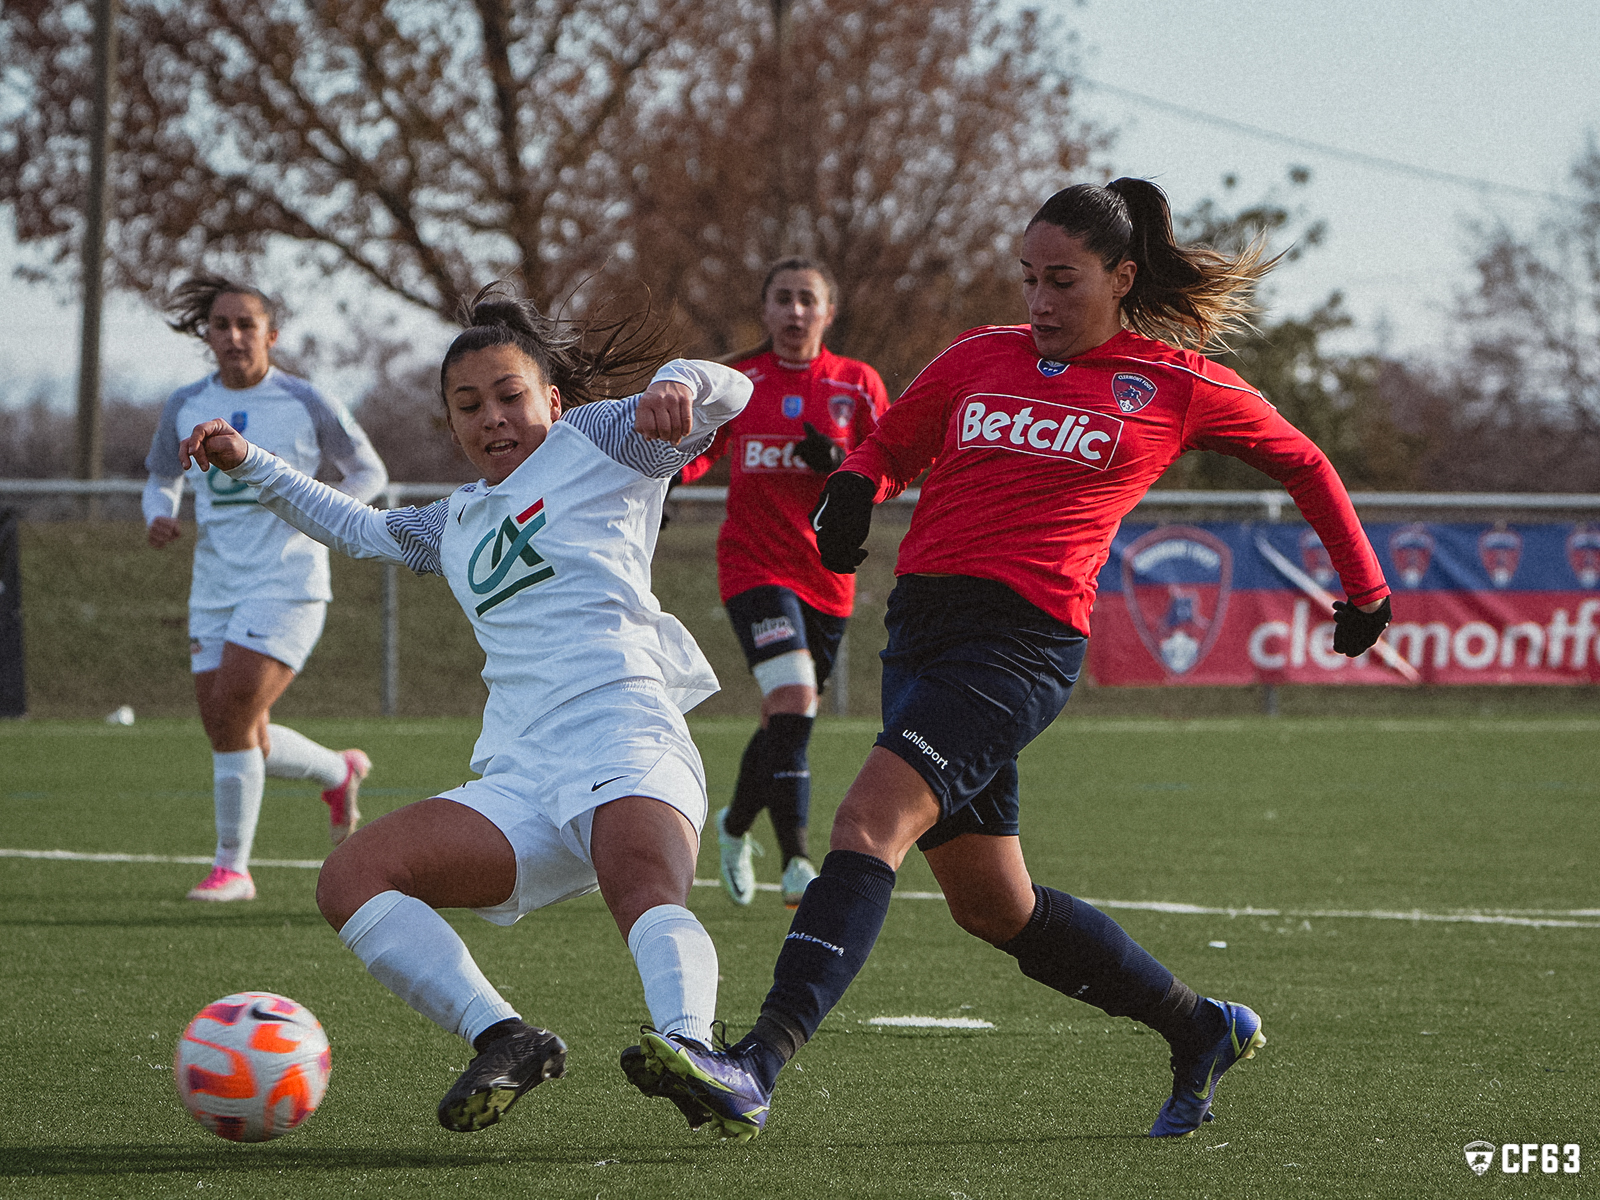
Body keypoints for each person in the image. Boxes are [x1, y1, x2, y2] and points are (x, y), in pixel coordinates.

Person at [633, 179, 1394, 1140]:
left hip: (1021, 645)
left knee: (868, 823)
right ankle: (1199, 1026)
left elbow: (1306, 463)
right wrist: (856, 488)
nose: (1039, 301)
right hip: (920, 634)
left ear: (1121, 278)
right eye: (1029, 278)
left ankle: (755, 1062)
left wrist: (1364, 585)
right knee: (995, 907)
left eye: (1063, 281)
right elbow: (890, 445)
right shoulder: (978, 356)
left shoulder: (1172, 381)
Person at [178, 283, 753, 1134]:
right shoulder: (454, 523)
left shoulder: (600, 442)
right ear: (451, 425)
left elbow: (734, 392)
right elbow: (358, 528)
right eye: (469, 406)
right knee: (350, 878)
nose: (494, 418)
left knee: (643, 885)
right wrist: (248, 463)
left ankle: (695, 1049)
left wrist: (681, 380)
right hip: (523, 776)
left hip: (625, 729)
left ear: (552, 400)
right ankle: (508, 1038)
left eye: (511, 396)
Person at [144, 275, 388, 903]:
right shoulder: (186, 403)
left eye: (245, 324)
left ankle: (233, 868)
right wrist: (159, 512)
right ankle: (338, 771)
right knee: (231, 726)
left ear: (270, 335)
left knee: (233, 716)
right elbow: (160, 476)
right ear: (208, 336)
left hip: (289, 580)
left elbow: (370, 470)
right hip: (215, 585)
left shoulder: (305, 400)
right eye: (220, 325)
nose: (232, 336)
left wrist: (328, 518)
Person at [678, 258, 888, 908]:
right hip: (753, 569)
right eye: (783, 299)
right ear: (766, 311)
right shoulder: (740, 384)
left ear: (828, 311)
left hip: (827, 579)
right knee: (795, 700)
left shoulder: (857, 384)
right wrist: (655, 487)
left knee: (784, 719)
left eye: (807, 300)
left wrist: (848, 466)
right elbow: (698, 454)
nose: (795, 312)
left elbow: (898, 461)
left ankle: (735, 826)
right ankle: (799, 860)